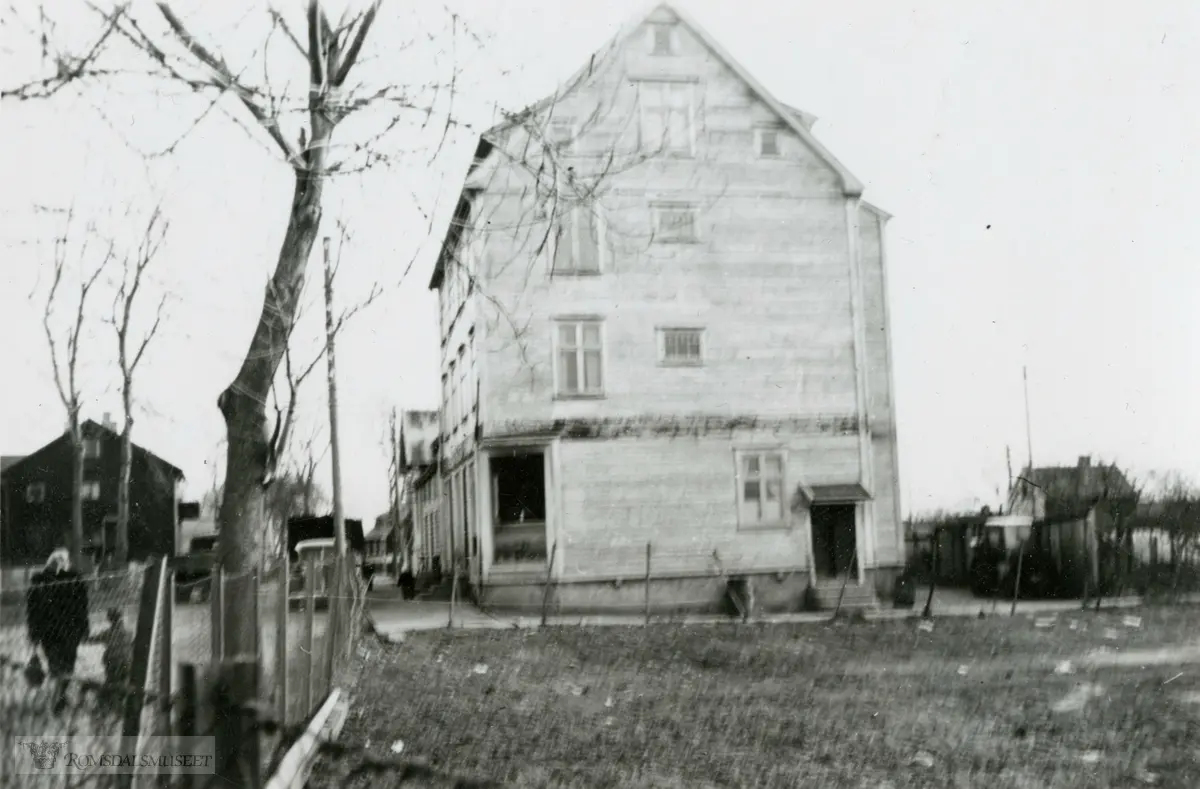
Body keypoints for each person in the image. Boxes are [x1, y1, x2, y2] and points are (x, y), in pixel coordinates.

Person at [27, 548, 90, 715]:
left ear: (67, 562)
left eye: (62, 560)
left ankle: (59, 697)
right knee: (58, 666)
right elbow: (32, 610)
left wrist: (84, 628)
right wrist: (33, 634)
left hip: (67, 633)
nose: (59, 563)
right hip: (53, 633)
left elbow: (82, 607)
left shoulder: (74, 579)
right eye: (56, 560)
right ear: (50, 562)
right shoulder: (40, 581)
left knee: (66, 667)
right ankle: (58, 699)